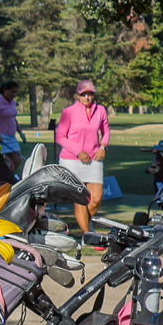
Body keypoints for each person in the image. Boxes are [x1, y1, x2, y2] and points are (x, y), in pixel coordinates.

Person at [54, 79, 110, 238]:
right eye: (84, 94)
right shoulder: (69, 112)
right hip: (72, 160)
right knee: (81, 199)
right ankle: (88, 235)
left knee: (96, 199)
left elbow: (106, 131)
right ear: (77, 96)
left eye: (90, 94)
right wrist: (78, 152)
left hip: (94, 158)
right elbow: (60, 137)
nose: (87, 97)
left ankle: (86, 224)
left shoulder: (100, 110)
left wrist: (103, 147)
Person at [0, 81, 24, 159]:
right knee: (4, 161)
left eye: (16, 92)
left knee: (18, 159)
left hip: (11, 137)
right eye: (12, 92)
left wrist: (20, 133)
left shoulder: (13, 102)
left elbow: (13, 118)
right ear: (5, 90)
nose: (14, 94)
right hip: (0, 137)